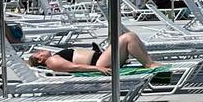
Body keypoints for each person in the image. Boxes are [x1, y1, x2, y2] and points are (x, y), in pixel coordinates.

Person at [25, 29, 155, 73]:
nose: (41, 50)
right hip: (100, 63)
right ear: (40, 60)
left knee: (128, 37)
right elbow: (74, 67)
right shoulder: (52, 61)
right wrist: (98, 69)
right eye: (39, 52)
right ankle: (149, 64)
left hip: (101, 59)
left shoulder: (54, 57)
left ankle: (149, 63)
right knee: (128, 37)